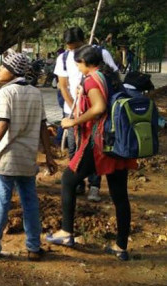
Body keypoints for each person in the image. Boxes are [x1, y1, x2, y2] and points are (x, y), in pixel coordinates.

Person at [46, 46, 137, 261]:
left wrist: (72, 121)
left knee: (68, 180)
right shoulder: (109, 76)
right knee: (119, 195)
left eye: (78, 63)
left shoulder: (91, 79)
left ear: (86, 63)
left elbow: (98, 107)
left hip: (99, 142)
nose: (77, 67)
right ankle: (121, 246)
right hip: (118, 142)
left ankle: (67, 232)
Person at [0, 53, 58, 261]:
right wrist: (48, 155)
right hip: (27, 157)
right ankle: (33, 247)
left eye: (2, 67)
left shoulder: (7, 92)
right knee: (29, 202)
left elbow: (2, 124)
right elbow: (42, 125)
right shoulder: (35, 92)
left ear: (12, 71)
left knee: (1, 202)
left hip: (6, 158)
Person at [54, 27, 118, 202]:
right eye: (69, 48)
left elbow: (114, 77)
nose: (72, 52)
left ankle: (94, 185)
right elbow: (63, 85)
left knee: (95, 149)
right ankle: (78, 183)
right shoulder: (64, 58)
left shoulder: (99, 54)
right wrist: (73, 110)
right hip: (74, 111)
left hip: (96, 116)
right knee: (75, 149)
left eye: (75, 48)